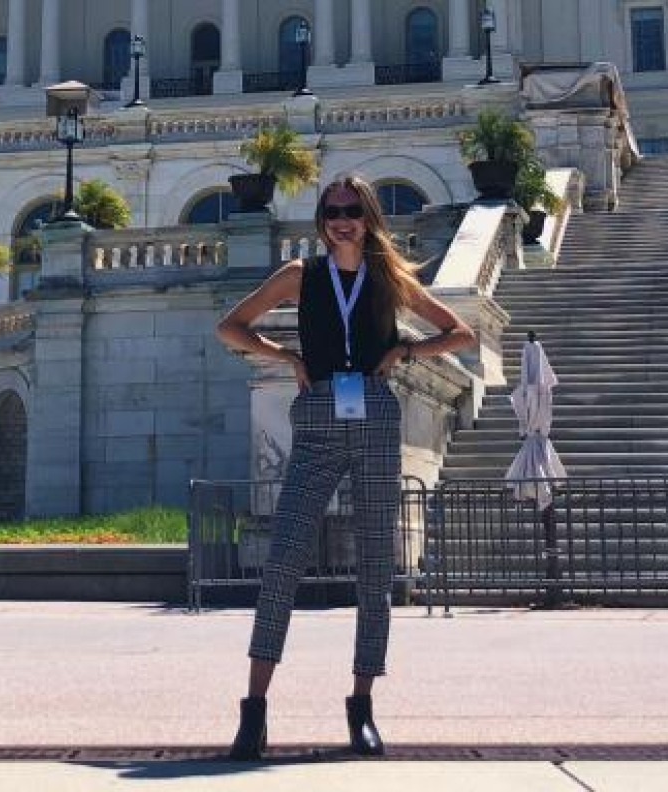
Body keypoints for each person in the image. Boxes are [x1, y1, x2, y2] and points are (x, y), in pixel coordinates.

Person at [214, 173, 476, 760]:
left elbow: (459, 334)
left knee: (376, 567)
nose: (342, 218)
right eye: (332, 209)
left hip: (377, 414)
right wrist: (283, 355)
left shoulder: (389, 279)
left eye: (352, 209)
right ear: (322, 218)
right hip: (318, 417)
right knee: (283, 558)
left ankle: (362, 707)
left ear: (369, 215)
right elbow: (230, 325)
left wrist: (406, 351)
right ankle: (253, 713)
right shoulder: (300, 276)